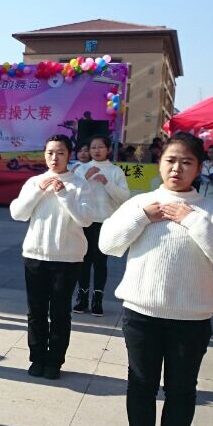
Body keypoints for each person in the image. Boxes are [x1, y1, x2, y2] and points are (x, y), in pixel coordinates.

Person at [99, 132, 213, 426]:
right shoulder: (141, 203)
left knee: (181, 392)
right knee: (141, 388)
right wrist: (141, 218)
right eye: (170, 160)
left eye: (186, 162)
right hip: (141, 315)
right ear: (160, 163)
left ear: (199, 167)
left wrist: (192, 220)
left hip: (191, 320)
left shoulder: (211, 211)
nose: (177, 168)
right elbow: (108, 244)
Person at [9, 134, 93, 380]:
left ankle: (54, 361)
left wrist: (65, 195)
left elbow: (86, 219)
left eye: (60, 153)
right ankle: (37, 358)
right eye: (50, 153)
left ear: (69, 155)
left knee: (60, 312)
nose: (54, 158)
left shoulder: (79, 184)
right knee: (36, 311)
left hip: (67, 258)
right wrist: (38, 191)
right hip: (35, 255)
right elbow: (18, 213)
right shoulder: (35, 182)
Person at [73, 135, 129, 317]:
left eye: (100, 147)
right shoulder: (82, 169)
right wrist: (86, 178)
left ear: (108, 149)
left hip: (105, 223)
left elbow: (124, 197)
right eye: (93, 147)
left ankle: (97, 300)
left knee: (100, 262)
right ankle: (82, 298)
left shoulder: (115, 171)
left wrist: (106, 182)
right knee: (83, 261)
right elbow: (73, 194)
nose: (96, 150)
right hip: (84, 221)